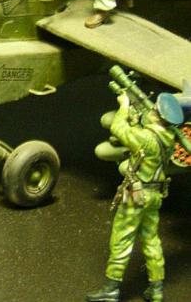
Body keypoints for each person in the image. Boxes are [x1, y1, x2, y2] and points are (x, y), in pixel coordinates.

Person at [86, 91, 182, 302]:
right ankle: (156, 289)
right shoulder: (169, 138)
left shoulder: (146, 138)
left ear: (156, 115)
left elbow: (118, 128)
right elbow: (143, 142)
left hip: (136, 193)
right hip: (155, 195)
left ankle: (111, 289)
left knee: (121, 237)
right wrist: (136, 121)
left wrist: (123, 106)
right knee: (151, 240)